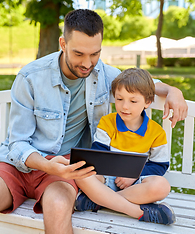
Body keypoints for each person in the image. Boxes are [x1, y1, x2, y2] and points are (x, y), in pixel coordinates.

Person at [0, 9, 187, 234]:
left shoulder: (104, 74)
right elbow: (17, 144)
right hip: (16, 166)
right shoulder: (31, 77)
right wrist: (46, 165)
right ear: (63, 44)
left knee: (57, 211)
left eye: (95, 54)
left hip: (64, 171)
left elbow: (143, 84)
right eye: (79, 54)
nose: (87, 63)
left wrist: (173, 91)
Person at [74, 68, 175, 225]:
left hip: (135, 185)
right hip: (105, 179)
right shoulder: (107, 123)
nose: (125, 107)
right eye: (120, 99)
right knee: (80, 173)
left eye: (133, 101)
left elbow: (159, 165)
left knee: (162, 186)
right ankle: (137, 211)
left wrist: (133, 174)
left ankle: (100, 201)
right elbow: (99, 155)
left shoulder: (156, 132)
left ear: (147, 102)